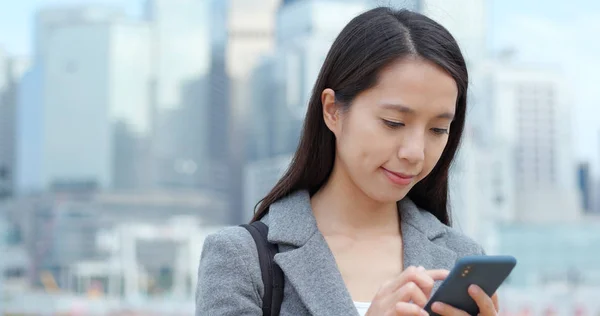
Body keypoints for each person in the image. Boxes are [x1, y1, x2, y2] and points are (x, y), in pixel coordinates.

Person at [196, 6, 500, 316]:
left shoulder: (461, 258)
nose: (415, 152)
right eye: (393, 122)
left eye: (437, 129)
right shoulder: (240, 258)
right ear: (332, 110)